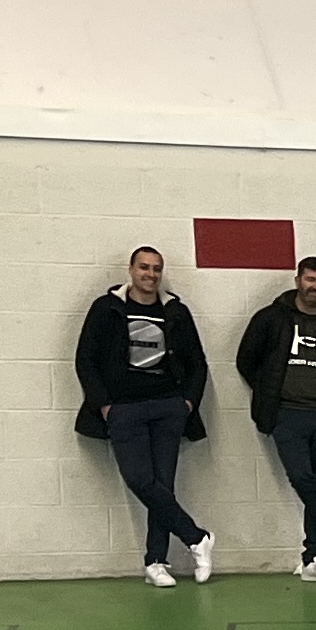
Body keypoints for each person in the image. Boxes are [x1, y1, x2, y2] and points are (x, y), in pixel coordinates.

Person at [73, 247, 214, 586]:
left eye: (156, 269)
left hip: (168, 408)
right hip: (124, 409)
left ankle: (156, 562)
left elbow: (197, 363)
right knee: (140, 480)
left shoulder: (175, 311)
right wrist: (104, 405)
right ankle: (196, 537)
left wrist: (187, 404)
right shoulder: (107, 308)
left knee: (162, 485)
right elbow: (85, 359)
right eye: (144, 267)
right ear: (131, 270)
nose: (150, 274)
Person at [236, 256, 316, 583]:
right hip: (286, 415)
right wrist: (268, 393)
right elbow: (246, 360)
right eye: (310, 279)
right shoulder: (270, 318)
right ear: (298, 281)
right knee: (302, 479)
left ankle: (314, 558)